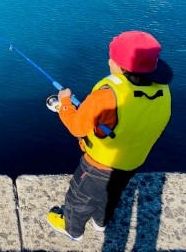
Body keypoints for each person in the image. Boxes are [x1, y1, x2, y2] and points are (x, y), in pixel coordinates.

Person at [46, 30, 172, 241]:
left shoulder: (106, 96)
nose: (108, 61)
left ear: (120, 66)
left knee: (80, 197)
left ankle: (72, 229)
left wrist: (65, 103)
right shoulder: (163, 92)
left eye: (112, 59)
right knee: (111, 194)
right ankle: (101, 222)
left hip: (99, 165)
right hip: (132, 162)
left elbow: (77, 127)